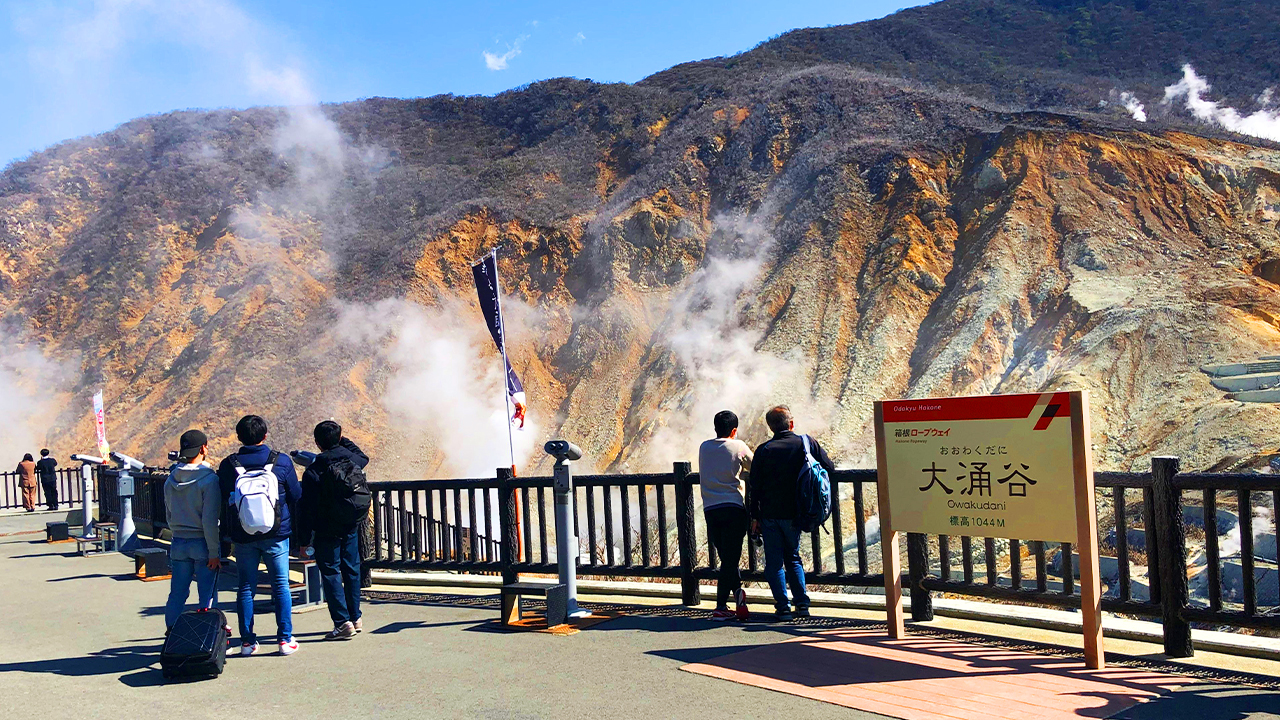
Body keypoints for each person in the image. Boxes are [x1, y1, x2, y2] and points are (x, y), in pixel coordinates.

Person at [218, 415, 303, 657]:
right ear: (264, 435)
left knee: (245, 587)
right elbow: (296, 495)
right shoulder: (281, 461)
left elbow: (225, 496)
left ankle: (247, 642)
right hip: (276, 533)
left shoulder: (229, 464)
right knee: (280, 585)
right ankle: (285, 640)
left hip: (243, 535)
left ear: (238, 437)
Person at [748, 405, 835, 621]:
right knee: (793, 558)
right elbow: (829, 468)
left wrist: (755, 517)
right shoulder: (806, 444)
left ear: (770, 427)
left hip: (769, 514)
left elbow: (755, 488)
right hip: (797, 513)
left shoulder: (763, 450)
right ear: (791, 423)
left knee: (774, 562)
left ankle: (782, 606)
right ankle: (802, 605)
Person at [297, 420, 370, 640]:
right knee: (351, 569)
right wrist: (341, 440)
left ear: (317, 443)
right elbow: (363, 455)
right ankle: (355, 617)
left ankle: (341, 623)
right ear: (339, 439)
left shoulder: (314, 471)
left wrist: (303, 540)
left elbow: (306, 509)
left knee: (330, 572)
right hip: (350, 524)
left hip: (326, 528)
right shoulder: (352, 461)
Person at [163, 430, 222, 630]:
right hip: (202, 543)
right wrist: (214, 552)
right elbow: (209, 521)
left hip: (178, 541)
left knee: (177, 593)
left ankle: (171, 634)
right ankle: (207, 636)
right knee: (207, 594)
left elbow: (169, 515)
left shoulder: (170, 479)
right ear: (204, 448)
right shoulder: (209, 480)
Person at [698, 410, 753, 621]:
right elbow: (754, 465)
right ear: (734, 430)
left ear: (715, 428)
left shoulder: (704, 447)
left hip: (711, 510)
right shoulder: (738, 446)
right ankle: (721, 606)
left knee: (727, 558)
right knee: (730, 559)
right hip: (733, 508)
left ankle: (738, 595)